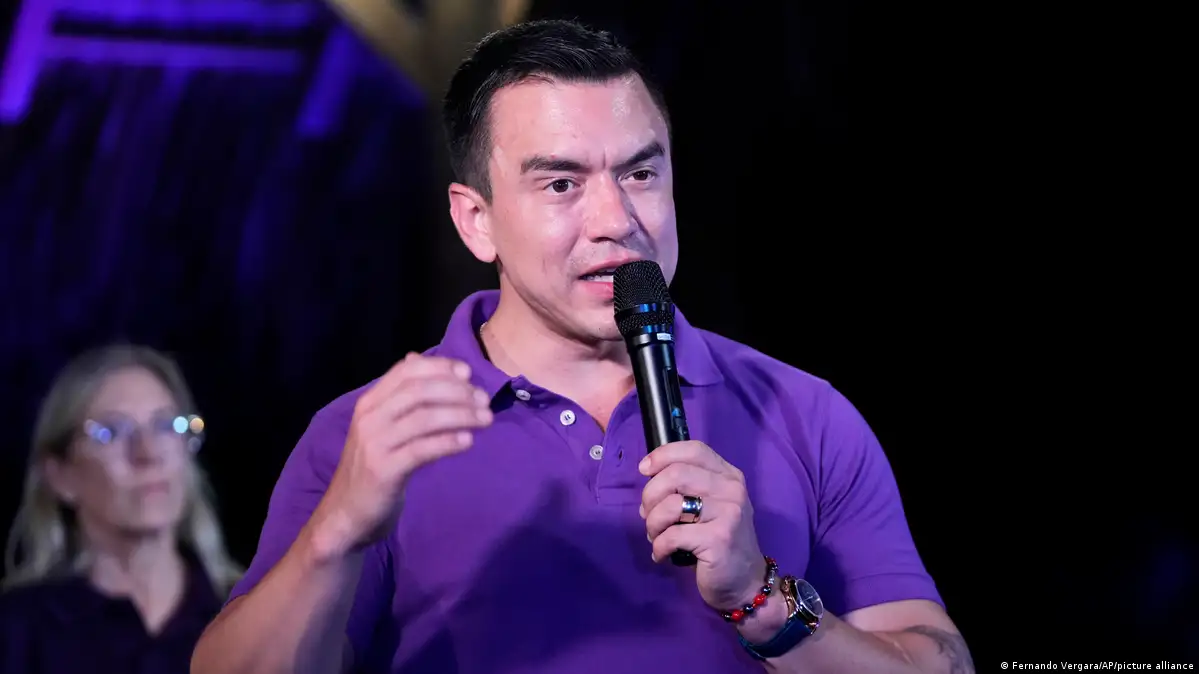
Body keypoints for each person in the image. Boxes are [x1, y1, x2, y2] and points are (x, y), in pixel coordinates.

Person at [191, 19, 973, 674]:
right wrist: (335, 536)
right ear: (475, 221)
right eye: (560, 183)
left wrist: (758, 598)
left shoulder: (804, 413)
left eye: (639, 174)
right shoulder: (369, 435)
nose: (615, 220)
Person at [0, 344, 242, 674]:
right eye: (113, 432)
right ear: (61, 475)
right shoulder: (17, 634)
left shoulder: (254, 616)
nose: (148, 454)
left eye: (166, 426)